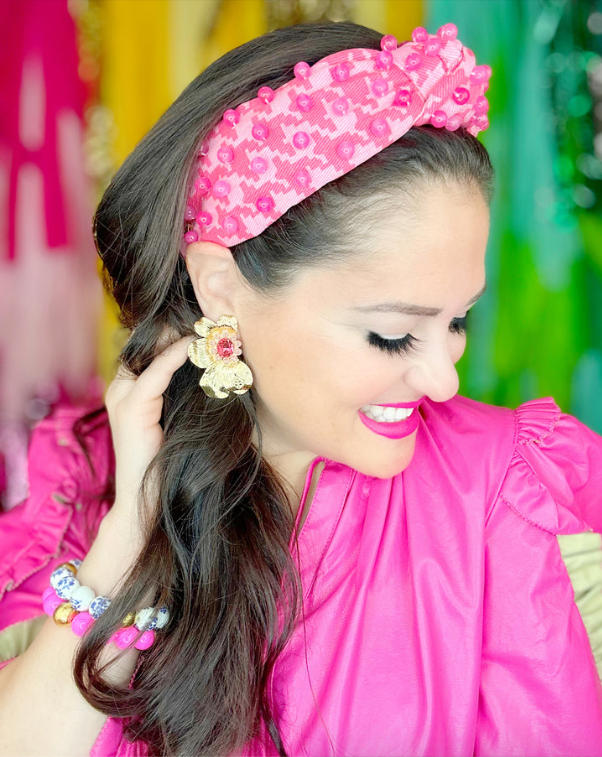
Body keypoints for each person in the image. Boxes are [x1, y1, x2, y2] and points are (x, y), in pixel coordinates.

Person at [1, 18, 602, 757]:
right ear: (220, 286)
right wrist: (132, 534)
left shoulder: (499, 485)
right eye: (392, 334)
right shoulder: (85, 482)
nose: (444, 378)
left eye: (458, 321)